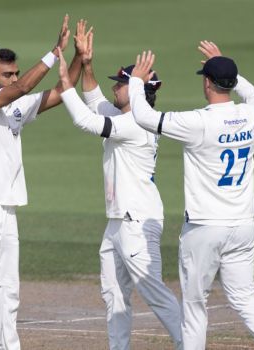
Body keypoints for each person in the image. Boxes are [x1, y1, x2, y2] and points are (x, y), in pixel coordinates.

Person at [127, 43, 254, 350]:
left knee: (195, 308)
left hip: (204, 228)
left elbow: (145, 117)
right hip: (242, 226)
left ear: (207, 83)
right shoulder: (251, 116)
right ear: (231, 83)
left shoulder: (198, 122)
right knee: (246, 298)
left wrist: (136, 81)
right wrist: (228, 68)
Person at [0, 16, 90, 350]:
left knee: (9, 287)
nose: (14, 79)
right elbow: (25, 87)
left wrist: (80, 58)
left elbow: (60, 92)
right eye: (7, 75)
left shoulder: (16, 107)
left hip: (7, 205)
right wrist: (53, 53)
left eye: (15, 73)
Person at [55, 29, 182, 350]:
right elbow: (96, 101)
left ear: (136, 89)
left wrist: (65, 86)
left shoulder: (137, 123)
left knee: (153, 291)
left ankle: (190, 343)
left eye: (120, 83)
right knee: (114, 294)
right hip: (118, 221)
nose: (114, 87)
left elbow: (87, 121)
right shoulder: (128, 116)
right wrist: (86, 63)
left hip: (137, 220)